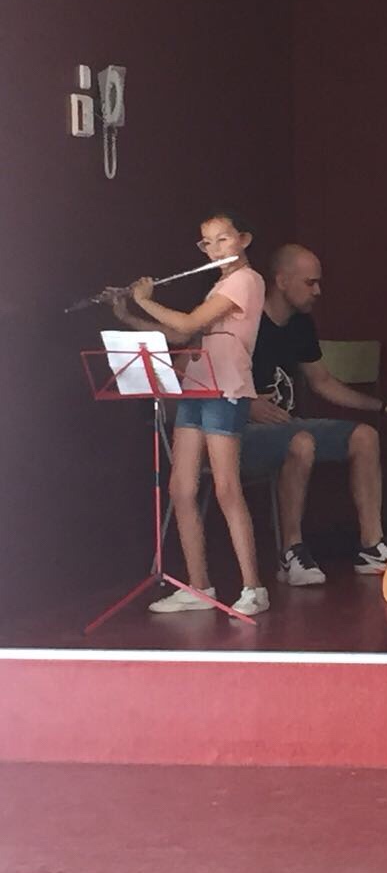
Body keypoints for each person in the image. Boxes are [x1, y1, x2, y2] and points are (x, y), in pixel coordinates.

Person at [109, 211, 270, 615]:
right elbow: (181, 334)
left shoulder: (246, 280)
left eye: (223, 239)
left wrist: (146, 299)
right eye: (207, 243)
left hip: (226, 388)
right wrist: (129, 315)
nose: (215, 249)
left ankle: (254, 588)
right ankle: (199, 588)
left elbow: (187, 322)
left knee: (226, 488)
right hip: (197, 386)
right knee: (181, 488)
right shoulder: (220, 285)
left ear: (243, 239)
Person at [242, 244, 387, 585]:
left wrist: (385, 407)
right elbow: (200, 378)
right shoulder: (245, 321)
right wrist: (246, 404)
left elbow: (322, 382)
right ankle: (290, 552)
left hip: (290, 425)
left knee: (364, 436)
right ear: (281, 281)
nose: (318, 291)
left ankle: (372, 546)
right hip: (242, 432)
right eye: (310, 283)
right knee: (301, 442)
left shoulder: (301, 324)